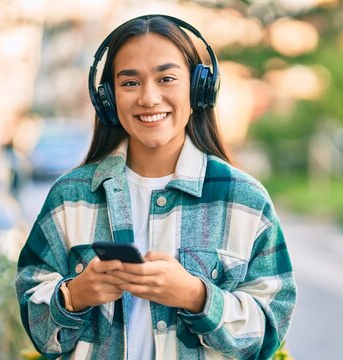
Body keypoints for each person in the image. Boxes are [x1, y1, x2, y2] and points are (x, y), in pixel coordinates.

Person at [16, 14, 297, 360]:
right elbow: (38, 326)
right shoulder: (69, 198)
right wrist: (73, 296)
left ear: (198, 88)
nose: (149, 98)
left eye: (166, 78)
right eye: (130, 83)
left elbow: (270, 330)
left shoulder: (245, 200)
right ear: (107, 98)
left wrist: (197, 297)